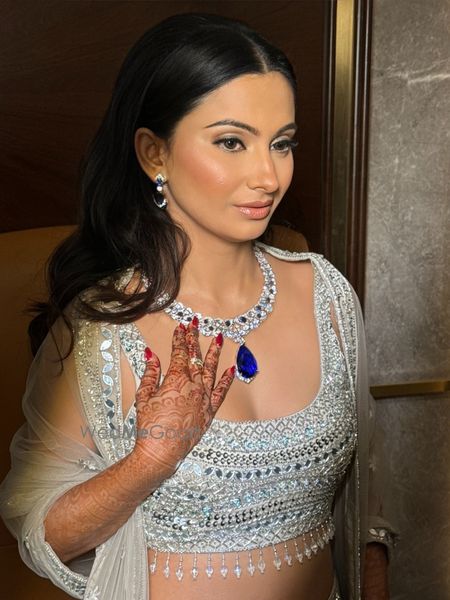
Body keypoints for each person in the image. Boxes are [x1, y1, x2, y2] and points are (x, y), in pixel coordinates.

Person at [0, 12, 398, 600]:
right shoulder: (102, 330)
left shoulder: (327, 295)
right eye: (231, 142)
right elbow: (41, 537)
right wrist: (150, 461)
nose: (268, 176)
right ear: (153, 154)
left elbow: (367, 489)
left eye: (282, 144)